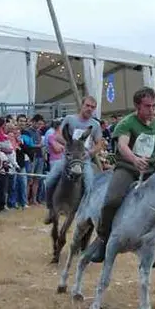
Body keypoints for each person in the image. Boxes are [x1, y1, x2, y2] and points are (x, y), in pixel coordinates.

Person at [87, 87, 155, 263]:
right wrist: (135, 159)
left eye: (154, 106)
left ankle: (149, 243)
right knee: (112, 200)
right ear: (137, 106)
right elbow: (122, 145)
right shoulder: (126, 123)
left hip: (150, 170)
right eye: (147, 106)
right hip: (127, 168)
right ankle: (103, 240)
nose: (152, 110)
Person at [43, 96, 104, 224]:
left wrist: (89, 153)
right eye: (87, 106)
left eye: (92, 107)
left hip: (84, 161)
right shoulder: (70, 119)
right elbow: (58, 136)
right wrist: (70, 145)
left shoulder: (95, 125)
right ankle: (50, 209)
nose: (89, 109)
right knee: (49, 180)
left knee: (89, 185)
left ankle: (85, 212)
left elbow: (99, 144)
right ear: (82, 105)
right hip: (67, 159)